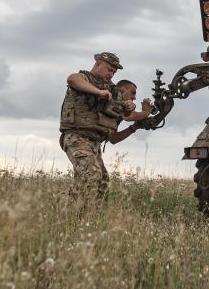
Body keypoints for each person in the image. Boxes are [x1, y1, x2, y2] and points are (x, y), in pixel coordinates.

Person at [58, 52, 149, 200]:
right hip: (77, 137)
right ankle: (63, 205)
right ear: (98, 64)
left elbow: (128, 115)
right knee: (92, 174)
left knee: (103, 183)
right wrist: (98, 92)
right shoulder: (85, 78)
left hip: (94, 144)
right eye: (109, 69)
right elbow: (72, 79)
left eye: (114, 71)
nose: (111, 74)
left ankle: (90, 217)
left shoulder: (112, 89)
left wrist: (133, 108)